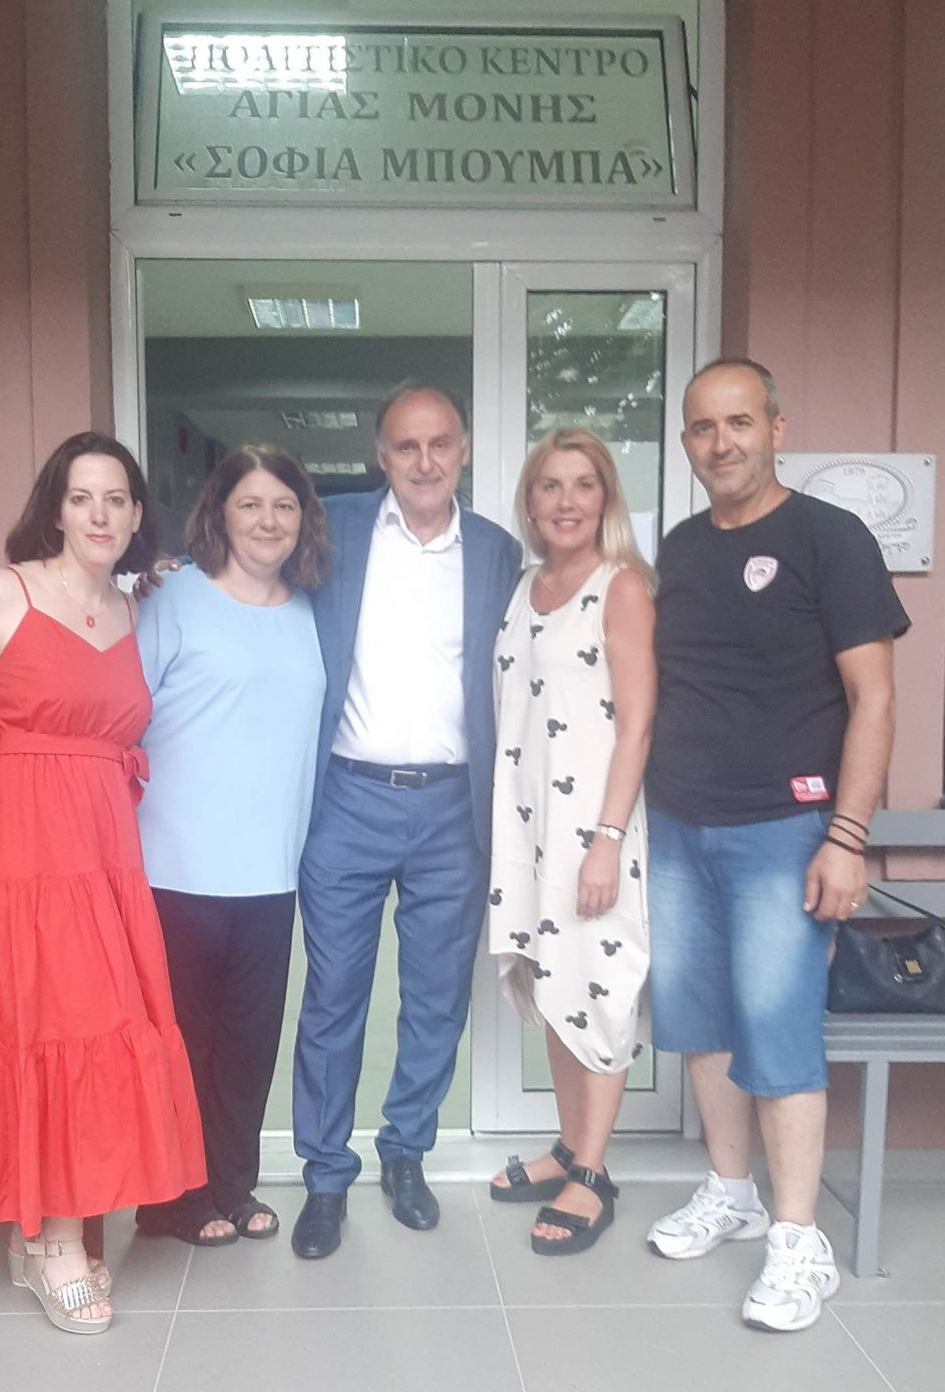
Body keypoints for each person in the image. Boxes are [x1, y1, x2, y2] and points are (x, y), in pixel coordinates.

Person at [643, 359, 909, 1331]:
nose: (721, 443)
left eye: (740, 422)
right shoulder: (680, 548)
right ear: (687, 441)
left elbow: (874, 699)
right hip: (679, 827)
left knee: (778, 1026)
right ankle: (733, 1192)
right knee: (704, 1023)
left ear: (777, 429)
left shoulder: (830, 538)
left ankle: (799, 1241)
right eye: (703, 427)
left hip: (786, 831)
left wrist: (846, 836)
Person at [0, 432, 205, 1335]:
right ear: (54, 508)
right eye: (82, 496)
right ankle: (54, 1241)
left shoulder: (138, 608)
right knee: (46, 1028)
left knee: (98, 1029)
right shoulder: (3, 592)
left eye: (117, 499)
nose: (100, 514)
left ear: (137, 517)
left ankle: (43, 1235)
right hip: (22, 852)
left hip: (104, 853)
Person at [291, 380, 522, 1259]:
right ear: (380, 456)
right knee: (333, 997)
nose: (425, 462)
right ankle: (325, 1176)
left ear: (463, 449)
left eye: (440, 444)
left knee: (435, 997)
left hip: (453, 807)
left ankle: (406, 1152)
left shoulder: (496, 551)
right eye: (405, 446)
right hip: (348, 799)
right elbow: (248, 569)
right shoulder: (333, 528)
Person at [133, 445, 329, 1246]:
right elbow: (124, 714)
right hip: (175, 864)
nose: (268, 520)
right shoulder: (172, 596)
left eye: (284, 504)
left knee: (248, 1045)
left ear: (303, 518)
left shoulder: (311, 608)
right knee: (184, 1041)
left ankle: (231, 1185)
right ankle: (172, 1197)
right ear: (219, 513)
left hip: (270, 869)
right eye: (250, 504)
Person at [486, 427, 655, 1255]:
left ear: (606, 497)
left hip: (594, 828)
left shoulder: (620, 588)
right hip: (529, 827)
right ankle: (567, 1143)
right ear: (530, 500)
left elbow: (637, 726)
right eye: (550, 485)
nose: (566, 501)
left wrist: (607, 840)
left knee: (601, 987)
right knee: (554, 984)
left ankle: (592, 1170)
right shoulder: (526, 588)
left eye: (583, 485)